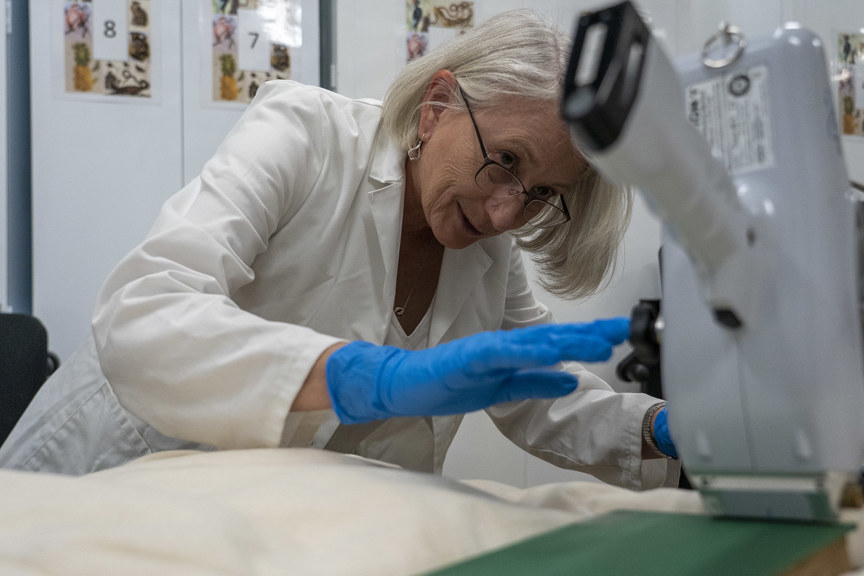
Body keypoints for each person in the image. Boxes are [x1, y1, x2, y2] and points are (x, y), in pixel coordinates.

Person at [0, 9, 678, 488]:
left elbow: (541, 394)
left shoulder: (487, 250)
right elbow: (141, 316)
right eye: (505, 160)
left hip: (263, 523)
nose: (507, 213)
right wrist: (356, 376)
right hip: (105, 482)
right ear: (438, 106)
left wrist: (667, 429)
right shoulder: (305, 136)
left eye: (542, 193)